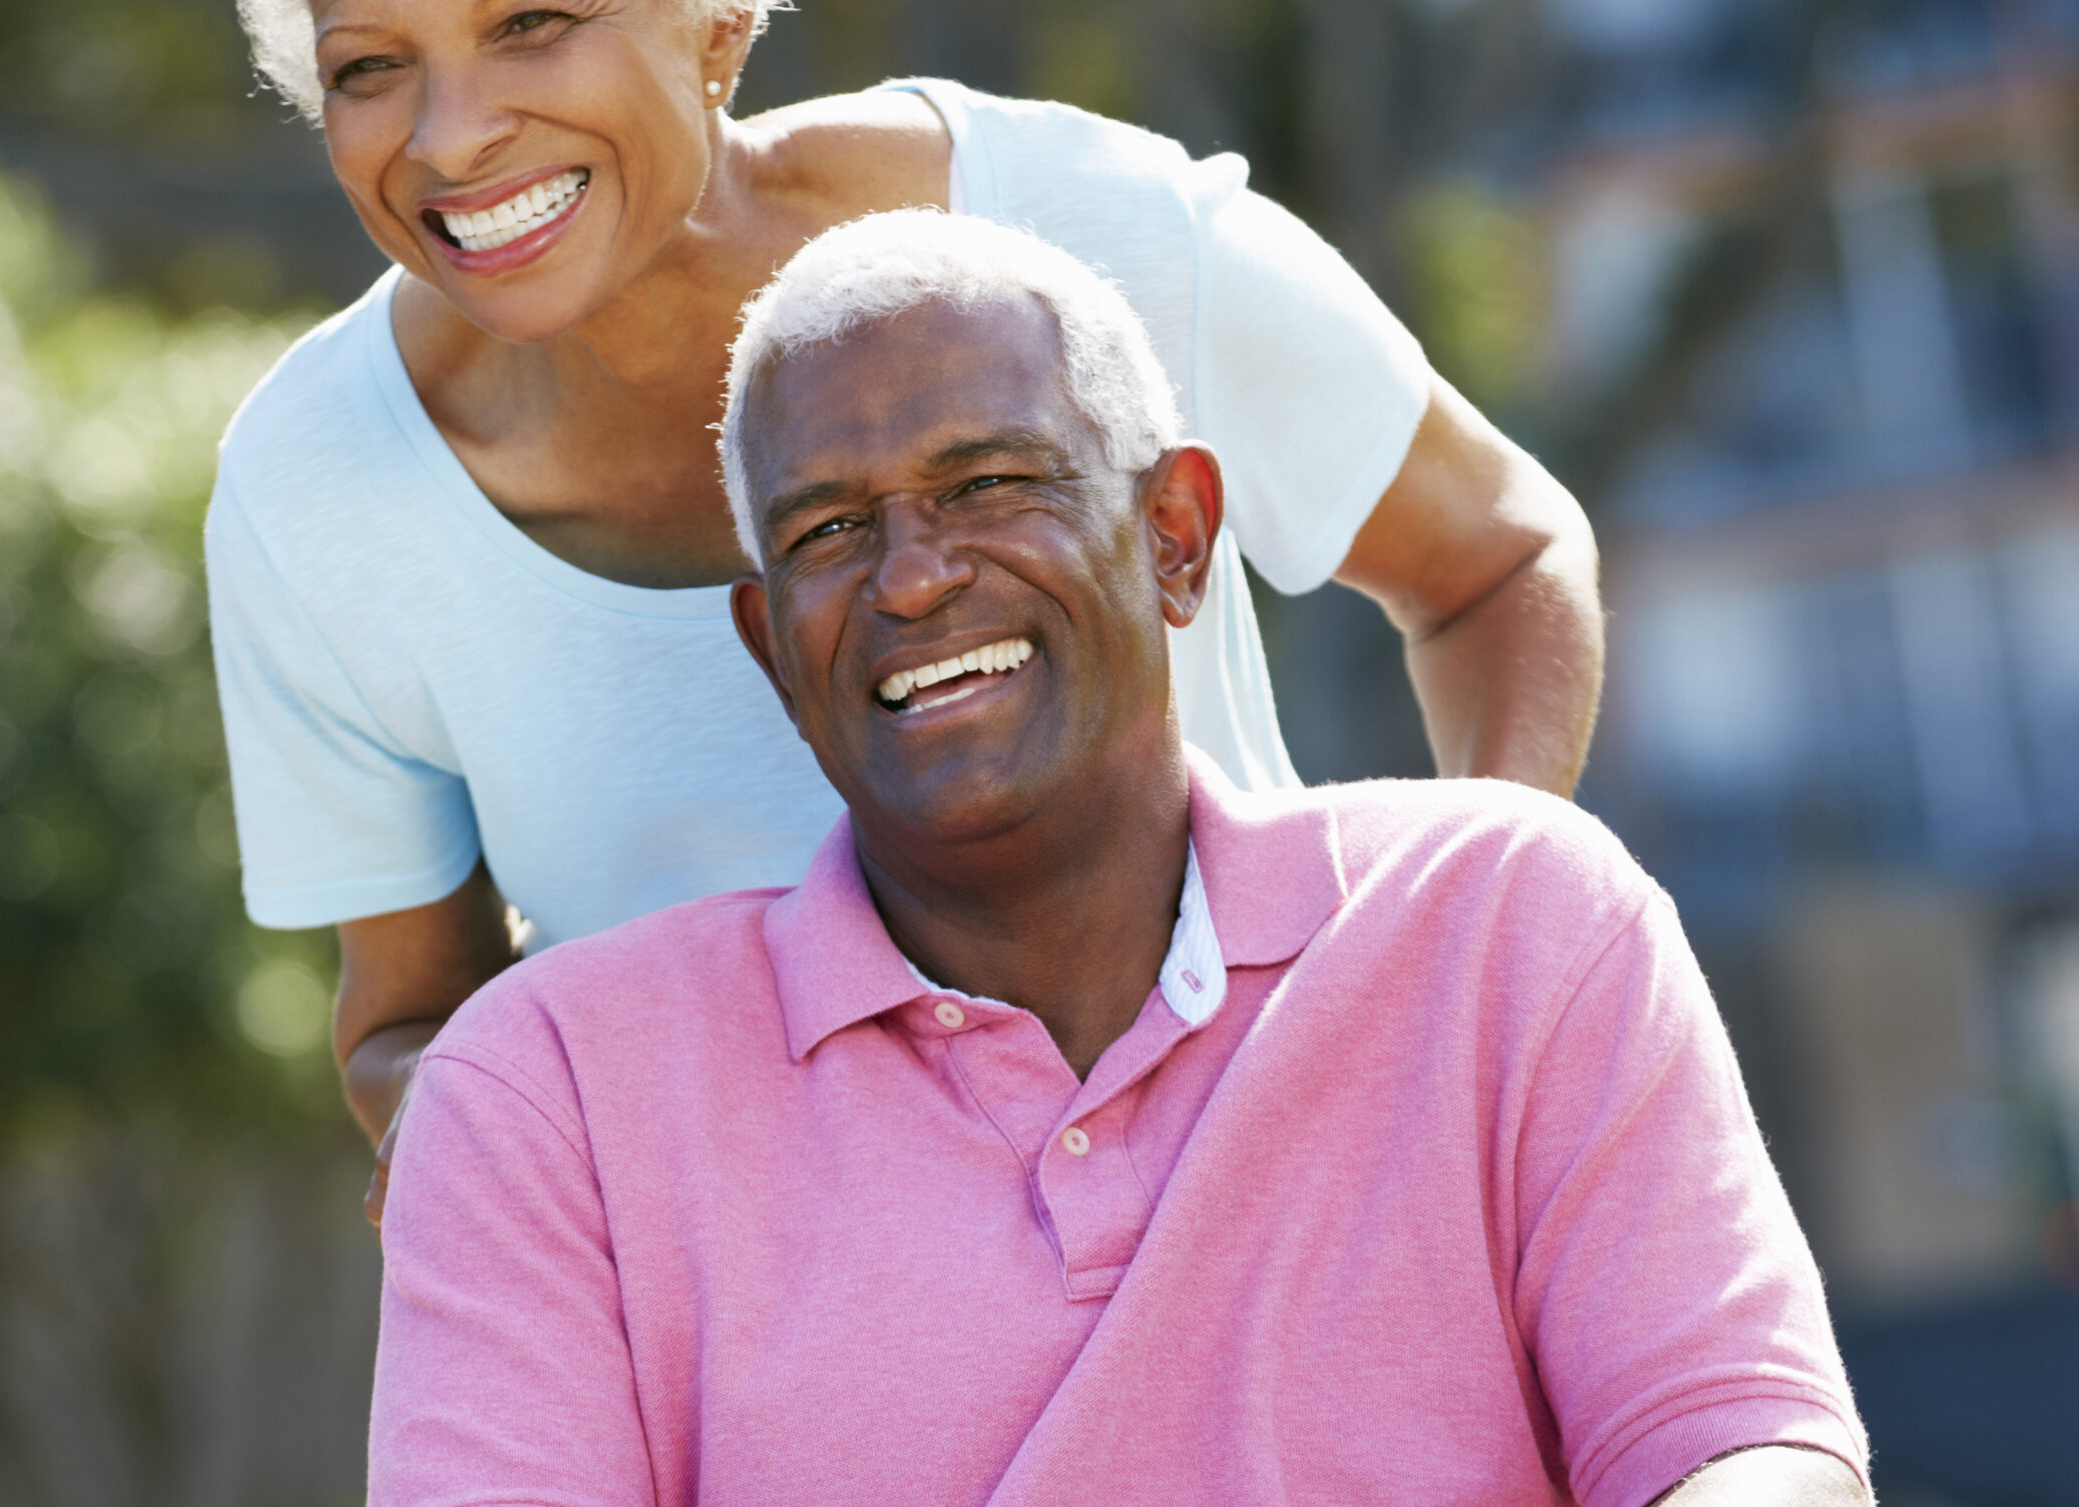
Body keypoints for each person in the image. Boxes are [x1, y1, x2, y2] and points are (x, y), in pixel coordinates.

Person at [359, 211, 1873, 1507]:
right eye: (826, 532)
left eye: (988, 485)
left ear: (1177, 533)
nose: (916, 575)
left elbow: (1774, 1492)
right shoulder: (547, 1084)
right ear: (767, 645)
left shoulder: (1511, 919)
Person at [208, 0, 1606, 1211]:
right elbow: (407, 1028)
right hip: (772, 1378)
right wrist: (551, 1179)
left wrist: (1451, 993)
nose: (449, 139)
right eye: (369, 64)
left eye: (533, 22)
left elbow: (1499, 559)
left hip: (1256, 1210)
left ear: (719, 25)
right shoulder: (315, 484)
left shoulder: (1076, 229)